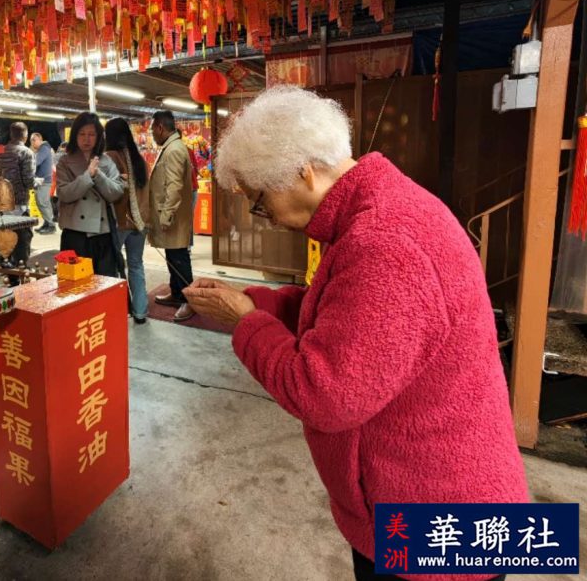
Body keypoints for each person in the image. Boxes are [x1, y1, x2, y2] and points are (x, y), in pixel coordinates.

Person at [184, 86, 527, 581]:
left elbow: (325, 394)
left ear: (303, 171)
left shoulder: (384, 244)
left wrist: (246, 323)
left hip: (437, 513)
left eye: (261, 200)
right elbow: (344, 317)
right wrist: (255, 302)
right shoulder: (378, 209)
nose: (268, 217)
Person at [55, 112, 125, 277]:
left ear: (99, 137)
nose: (87, 139)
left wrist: (98, 175)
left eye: (92, 134)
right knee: (76, 283)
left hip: (102, 233)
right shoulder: (64, 162)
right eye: (82, 134)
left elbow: (116, 193)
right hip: (75, 233)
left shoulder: (106, 161)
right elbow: (64, 194)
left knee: (104, 281)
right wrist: (87, 176)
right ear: (75, 135)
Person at [147, 110, 195, 322]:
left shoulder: (174, 149)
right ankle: (176, 293)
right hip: (172, 214)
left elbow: (174, 187)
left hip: (173, 216)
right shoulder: (171, 146)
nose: (152, 135)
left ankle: (189, 301)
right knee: (172, 255)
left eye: (152, 130)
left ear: (160, 127)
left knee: (179, 257)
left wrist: (166, 215)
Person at [105, 118, 150, 324]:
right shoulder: (139, 159)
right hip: (140, 222)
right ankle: (140, 312)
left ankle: (117, 312)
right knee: (136, 265)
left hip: (120, 221)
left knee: (114, 267)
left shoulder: (109, 157)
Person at [0, 122, 36, 284]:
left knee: (5, 240)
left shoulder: (0, 152)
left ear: (11, 134)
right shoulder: (26, 152)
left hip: (1, 204)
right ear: (25, 136)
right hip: (20, 205)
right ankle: (20, 277)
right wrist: (38, 182)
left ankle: (8, 278)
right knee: (22, 242)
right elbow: (29, 181)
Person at [30, 132, 56, 235]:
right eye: (31, 140)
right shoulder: (43, 149)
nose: (32, 142)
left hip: (44, 181)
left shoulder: (44, 148)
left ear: (40, 140)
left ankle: (51, 225)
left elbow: (36, 162)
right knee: (43, 203)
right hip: (43, 180)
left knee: (43, 203)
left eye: (34, 140)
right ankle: (47, 223)